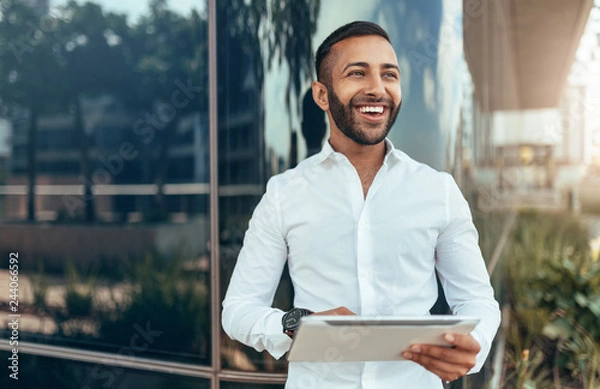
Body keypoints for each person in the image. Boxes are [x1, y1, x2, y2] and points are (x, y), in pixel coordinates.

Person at [222, 20, 501, 388]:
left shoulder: (439, 191)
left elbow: (478, 300)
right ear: (322, 95)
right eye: (357, 73)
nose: (377, 89)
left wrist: (475, 344)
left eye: (390, 75)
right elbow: (238, 310)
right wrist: (297, 324)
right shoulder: (283, 194)